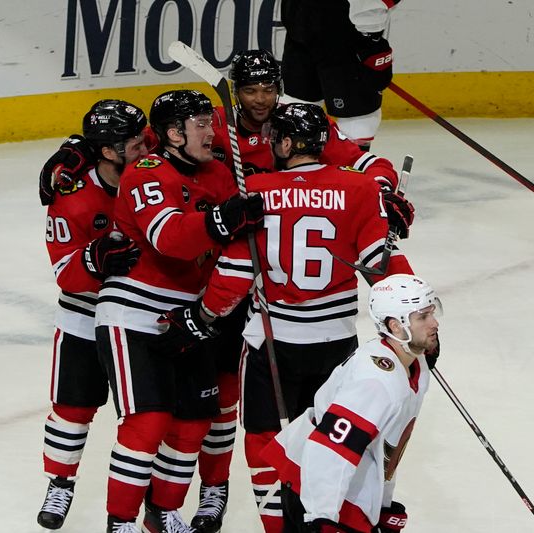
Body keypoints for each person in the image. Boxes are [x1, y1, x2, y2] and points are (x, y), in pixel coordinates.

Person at [161, 103, 414, 533]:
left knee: (265, 442)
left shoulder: (256, 190)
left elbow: (235, 273)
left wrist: (202, 317)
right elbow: (379, 264)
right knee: (331, 442)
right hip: (336, 346)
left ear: (282, 142)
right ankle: (326, 521)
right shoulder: (359, 189)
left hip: (271, 344)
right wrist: (413, 313)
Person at [94, 89, 263, 533]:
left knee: (193, 423)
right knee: (148, 422)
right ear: (172, 133)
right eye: (201, 124)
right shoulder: (146, 170)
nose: (212, 131)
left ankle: (162, 511)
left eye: (211, 121)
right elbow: (168, 238)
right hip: (133, 310)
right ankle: (120, 522)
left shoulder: (221, 174)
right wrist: (222, 221)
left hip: (189, 315)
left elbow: (237, 238)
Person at [36, 99, 146, 529]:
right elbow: (65, 273)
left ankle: (147, 502)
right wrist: (94, 260)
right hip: (84, 317)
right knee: (71, 408)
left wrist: (75, 144)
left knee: (146, 416)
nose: (144, 146)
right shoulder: (73, 199)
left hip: (142, 317)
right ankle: (60, 483)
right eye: (133, 143)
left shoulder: (152, 169)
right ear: (106, 152)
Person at [260, 274, 441, 532]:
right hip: (318, 494)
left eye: (432, 313)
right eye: (422, 317)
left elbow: (388, 445)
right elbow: (329, 450)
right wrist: (320, 518)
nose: (434, 323)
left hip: (347, 493)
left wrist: (382, 504)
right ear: (396, 326)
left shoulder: (415, 366)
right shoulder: (376, 382)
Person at [280, 0, 402, 149]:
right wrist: (371, 32)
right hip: (306, 22)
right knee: (296, 109)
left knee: (357, 120)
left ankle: (351, 169)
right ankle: (298, 169)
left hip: (339, 30)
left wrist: (371, 34)